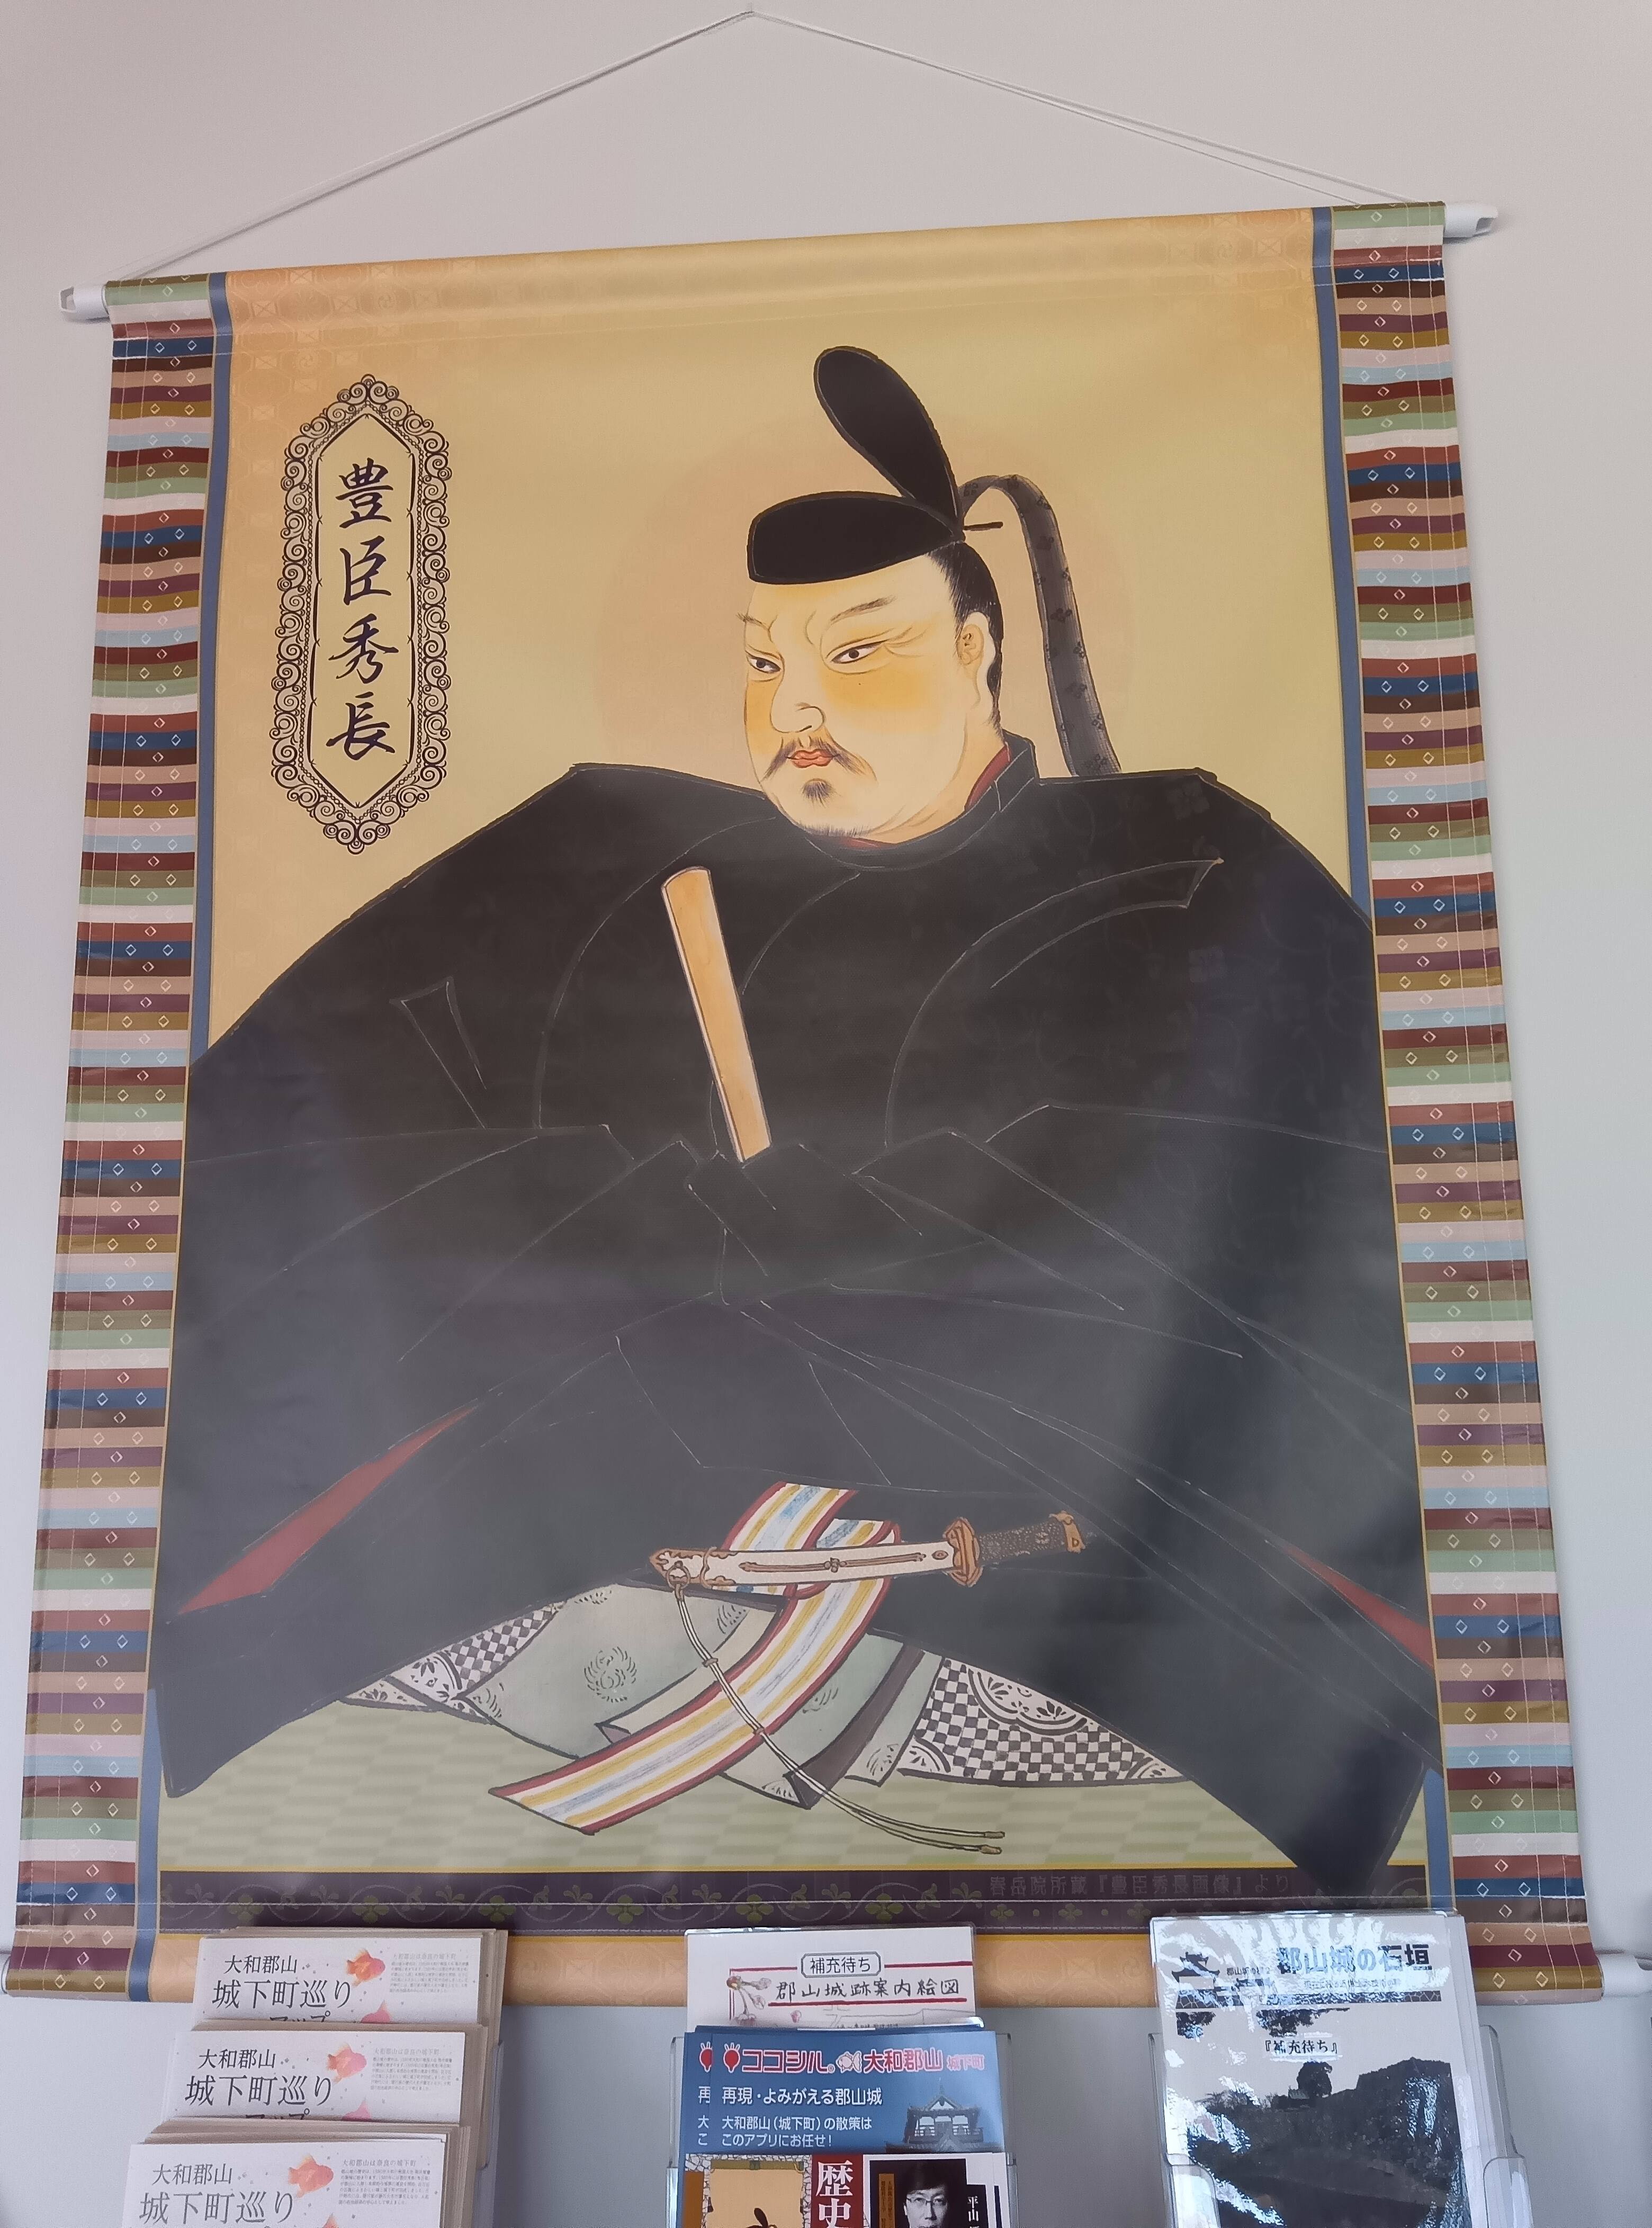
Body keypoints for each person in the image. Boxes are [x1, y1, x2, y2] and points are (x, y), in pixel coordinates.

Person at [151, 347, 1440, 1895]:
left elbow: (1280, 1205)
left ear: (979, 650)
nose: (798, 710)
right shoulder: (600, 852)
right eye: (764, 662)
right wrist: (694, 1219)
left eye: (860, 651)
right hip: (591, 1517)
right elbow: (280, 1128)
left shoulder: (1182, 864)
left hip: (1053, 1543)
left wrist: (739, 1229)